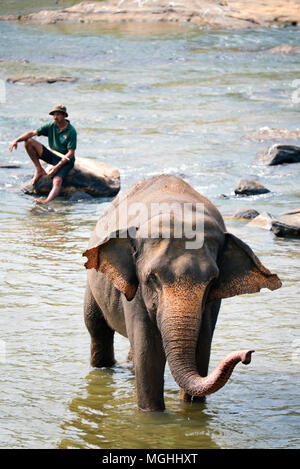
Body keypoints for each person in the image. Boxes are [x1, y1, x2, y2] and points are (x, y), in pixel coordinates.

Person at [9, 104, 77, 204]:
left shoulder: (71, 131)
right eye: (54, 115)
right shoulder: (51, 126)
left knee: (57, 181)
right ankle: (39, 169)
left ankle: (46, 201)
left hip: (65, 160)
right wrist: (16, 140)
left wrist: (57, 167)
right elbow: (32, 133)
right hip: (52, 155)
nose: (55, 117)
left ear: (64, 116)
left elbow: (71, 153)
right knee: (28, 141)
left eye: (58, 114)